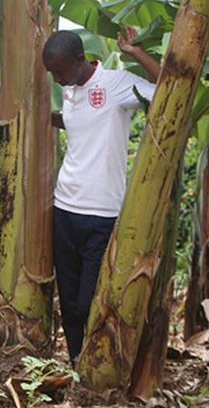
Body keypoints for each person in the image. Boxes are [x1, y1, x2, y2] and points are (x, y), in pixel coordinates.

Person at [43, 27, 161, 365]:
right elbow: (82, 124)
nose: (56, 79)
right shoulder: (69, 88)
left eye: (60, 71)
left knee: (88, 301)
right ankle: (77, 366)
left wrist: (137, 53)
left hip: (102, 214)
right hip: (64, 208)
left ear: (80, 60)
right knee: (68, 303)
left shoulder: (116, 84)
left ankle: (98, 366)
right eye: (52, 73)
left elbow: (170, 88)